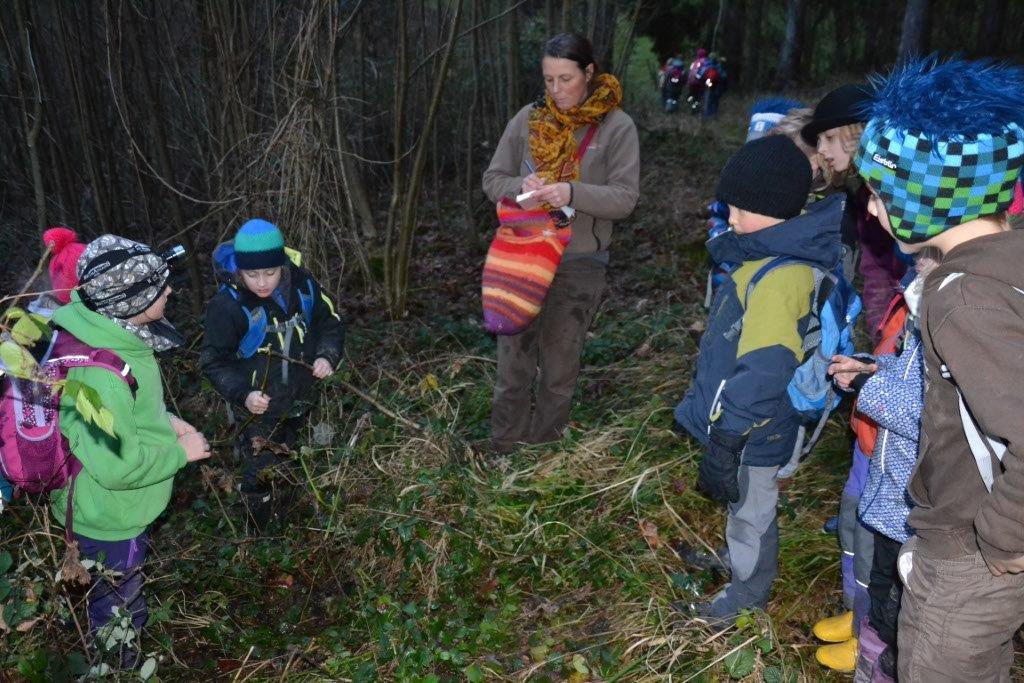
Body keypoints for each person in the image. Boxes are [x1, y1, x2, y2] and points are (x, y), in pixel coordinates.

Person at [854, 55, 1024, 683]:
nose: (870, 210)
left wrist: (1002, 538)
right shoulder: (1006, 261)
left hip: (971, 549)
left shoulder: (963, 297)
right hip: (967, 538)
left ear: (929, 198)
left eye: (881, 193)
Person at [675, 135, 844, 619]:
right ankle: (738, 557)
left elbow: (765, 367)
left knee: (753, 506)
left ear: (774, 210)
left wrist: (729, 435)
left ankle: (746, 596)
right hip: (747, 418)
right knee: (744, 502)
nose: (730, 218)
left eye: (740, 210)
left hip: (757, 424)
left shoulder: (780, 276)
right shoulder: (766, 252)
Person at [50, 235, 210, 668]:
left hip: (108, 506)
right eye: (158, 286)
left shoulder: (114, 333)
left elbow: (124, 413)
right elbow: (118, 469)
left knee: (107, 595)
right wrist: (182, 454)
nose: (169, 290)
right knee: (119, 608)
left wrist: (166, 421)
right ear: (129, 300)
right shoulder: (103, 373)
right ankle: (116, 668)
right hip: (109, 516)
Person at [481, 32, 639, 454]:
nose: (556, 89)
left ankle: (543, 454)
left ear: (589, 72)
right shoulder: (528, 119)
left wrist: (572, 192)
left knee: (558, 368)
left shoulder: (617, 126)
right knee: (512, 366)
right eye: (548, 79)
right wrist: (520, 186)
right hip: (523, 255)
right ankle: (504, 450)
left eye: (565, 79)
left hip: (579, 263)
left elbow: (625, 198)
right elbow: (493, 179)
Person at [814, 250, 938, 677]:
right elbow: (907, 370)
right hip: (889, 483)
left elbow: (931, 410)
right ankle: (865, 650)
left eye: (925, 256)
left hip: (914, 499)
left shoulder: (957, 312)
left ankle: (875, 663)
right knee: (878, 582)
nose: (913, 261)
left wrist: (870, 385)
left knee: (895, 603)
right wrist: (871, 365)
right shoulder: (924, 299)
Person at [200, 219, 344, 534]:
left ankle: (292, 524)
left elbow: (329, 322)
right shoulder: (228, 305)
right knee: (260, 472)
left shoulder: (303, 285)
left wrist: (326, 355)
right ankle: (260, 537)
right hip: (258, 409)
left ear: (282, 265)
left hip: (302, 397)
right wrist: (244, 394)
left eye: (270, 272)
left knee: (296, 461)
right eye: (252, 274)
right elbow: (213, 360)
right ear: (240, 270)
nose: (262, 282)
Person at [802, 84, 907, 339]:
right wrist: (880, 331)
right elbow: (876, 268)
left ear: (858, 133)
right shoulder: (861, 194)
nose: (821, 149)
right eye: (818, 141)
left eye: (829, 138)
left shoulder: (901, 186)